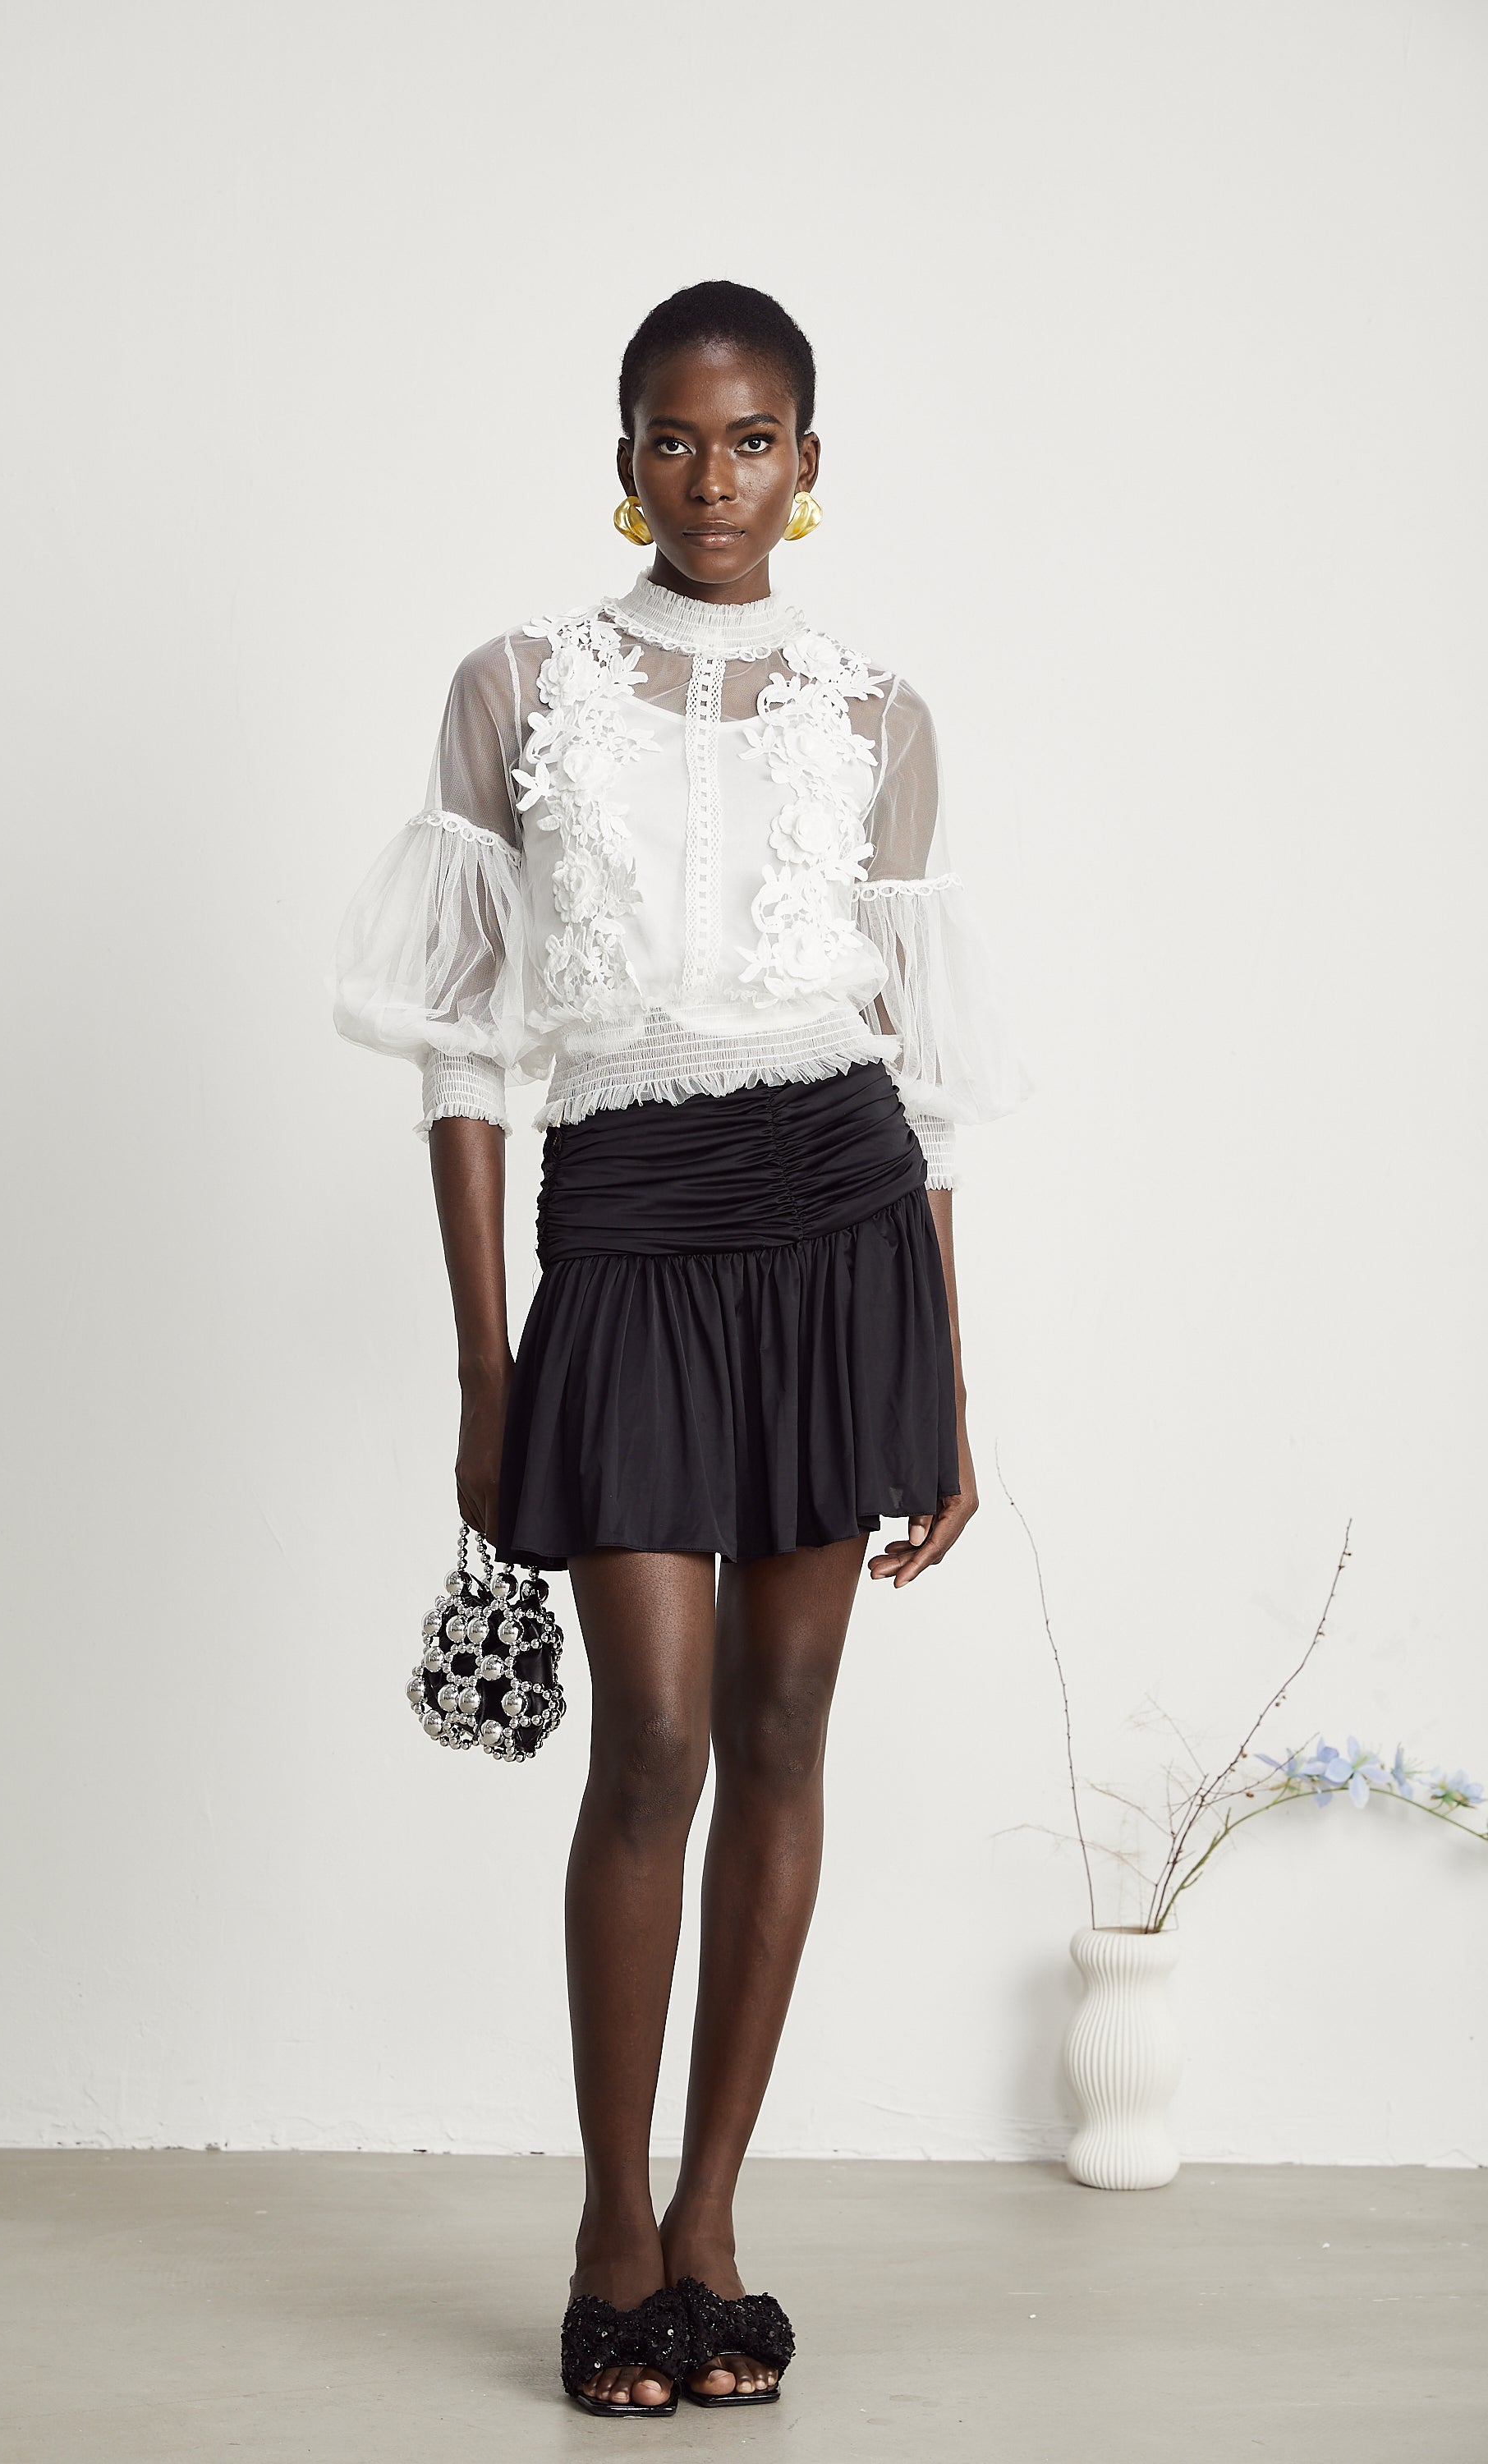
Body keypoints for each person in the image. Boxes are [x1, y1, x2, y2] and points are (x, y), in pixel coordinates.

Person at [329, 281, 1027, 2416]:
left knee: (786, 1726)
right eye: (670, 438)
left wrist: (949, 1381)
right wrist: (487, 1376)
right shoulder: (519, 690)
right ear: (621, 459)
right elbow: (467, 1058)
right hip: (628, 1226)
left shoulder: (880, 714)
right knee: (651, 1743)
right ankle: (607, 2231)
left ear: (809, 468)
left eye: (751, 441)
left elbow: (917, 1079)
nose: (710, 478)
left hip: (842, 1228)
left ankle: (712, 2225)